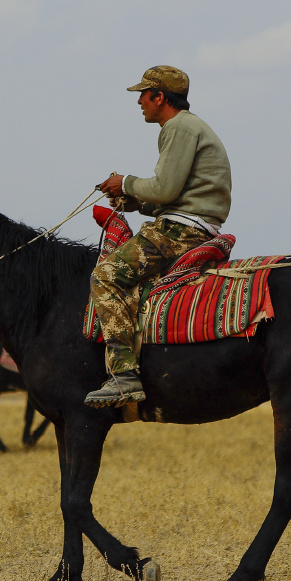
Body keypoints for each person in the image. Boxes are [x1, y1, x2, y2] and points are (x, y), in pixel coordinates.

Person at [85, 65, 232, 408]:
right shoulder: (189, 127)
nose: (139, 102)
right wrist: (137, 202)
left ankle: (123, 376)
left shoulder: (178, 126)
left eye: (143, 95)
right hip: (192, 221)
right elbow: (173, 194)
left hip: (180, 230)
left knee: (105, 276)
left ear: (159, 96)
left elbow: (165, 188)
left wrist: (124, 182)